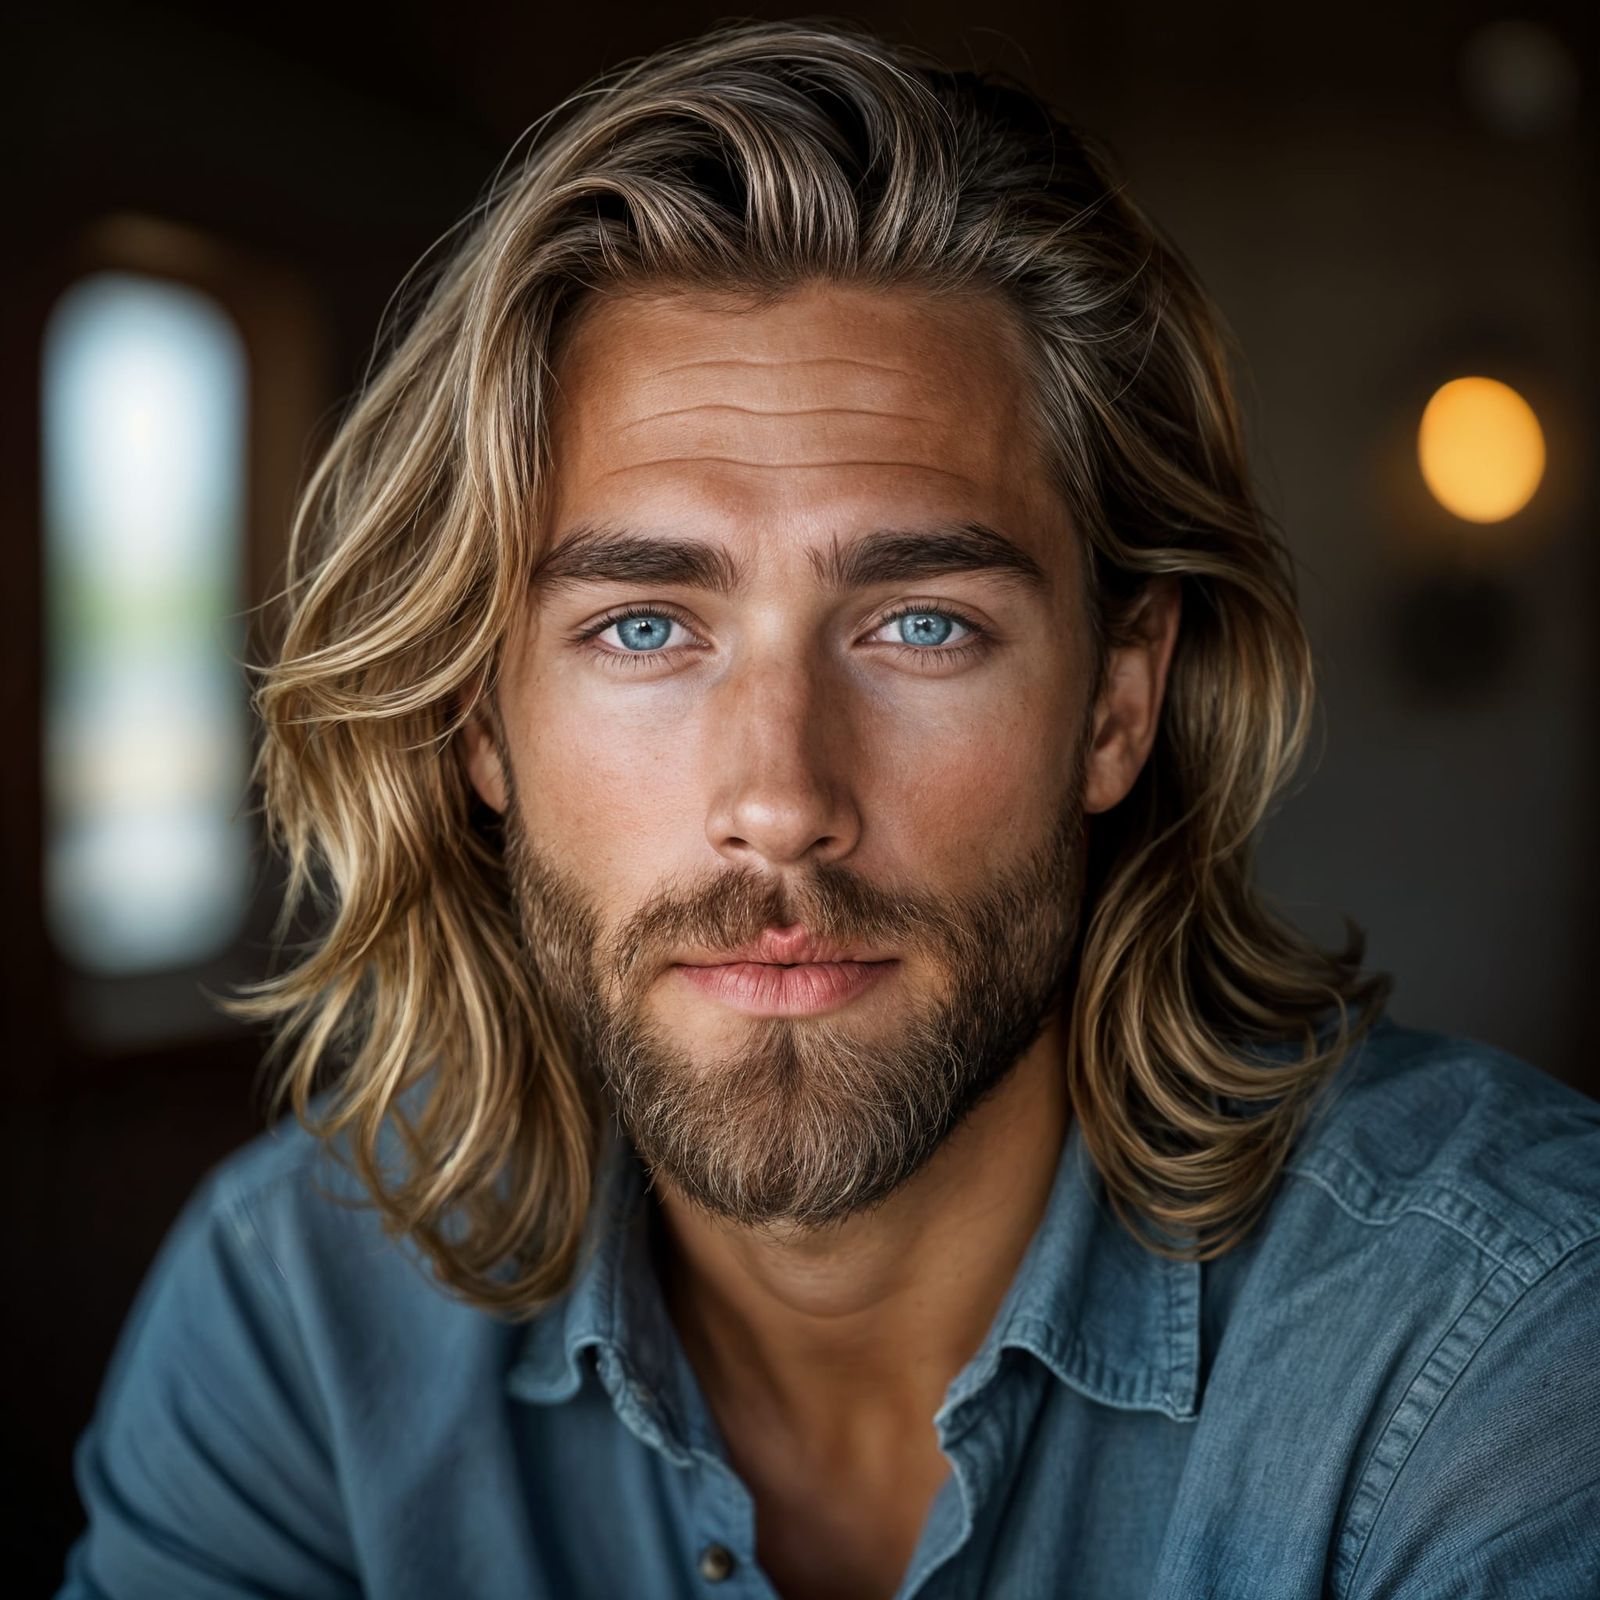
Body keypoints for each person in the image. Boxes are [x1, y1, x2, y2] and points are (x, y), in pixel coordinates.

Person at [58, 19, 1600, 1600]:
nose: (781, 802)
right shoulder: (301, 1321)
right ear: (477, 722)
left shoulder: (1506, 1347)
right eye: (643, 628)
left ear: (1117, 705)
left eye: (922, 624)